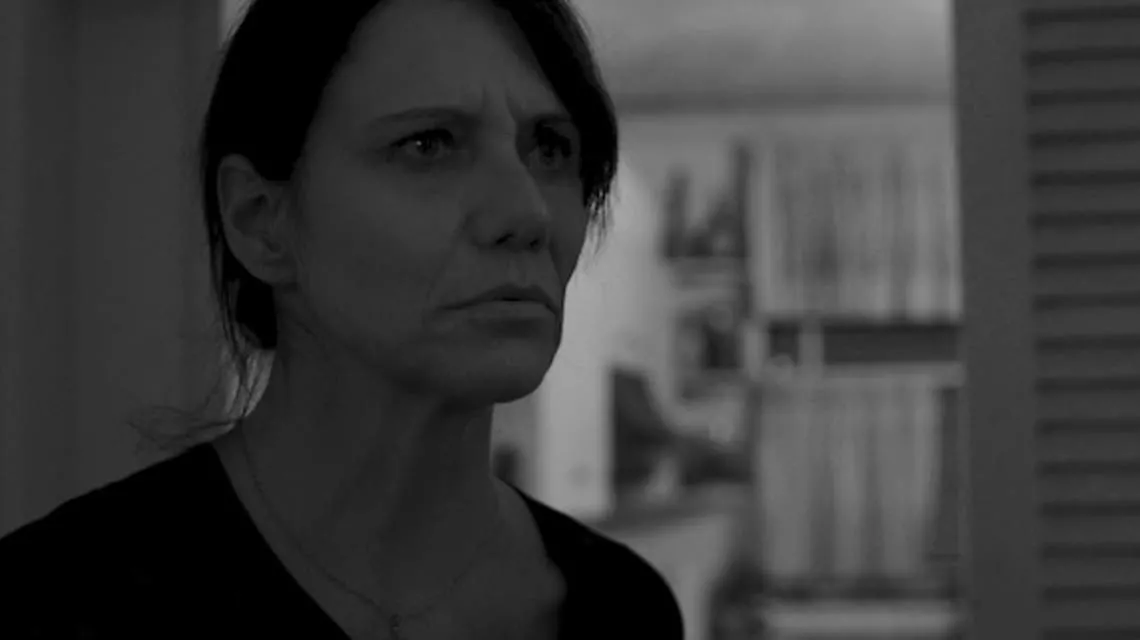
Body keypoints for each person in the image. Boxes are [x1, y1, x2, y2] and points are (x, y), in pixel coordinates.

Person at [0, 0, 685, 638]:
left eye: (551, 149)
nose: (527, 212)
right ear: (261, 221)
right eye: (429, 144)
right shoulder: (60, 597)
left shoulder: (621, 607)